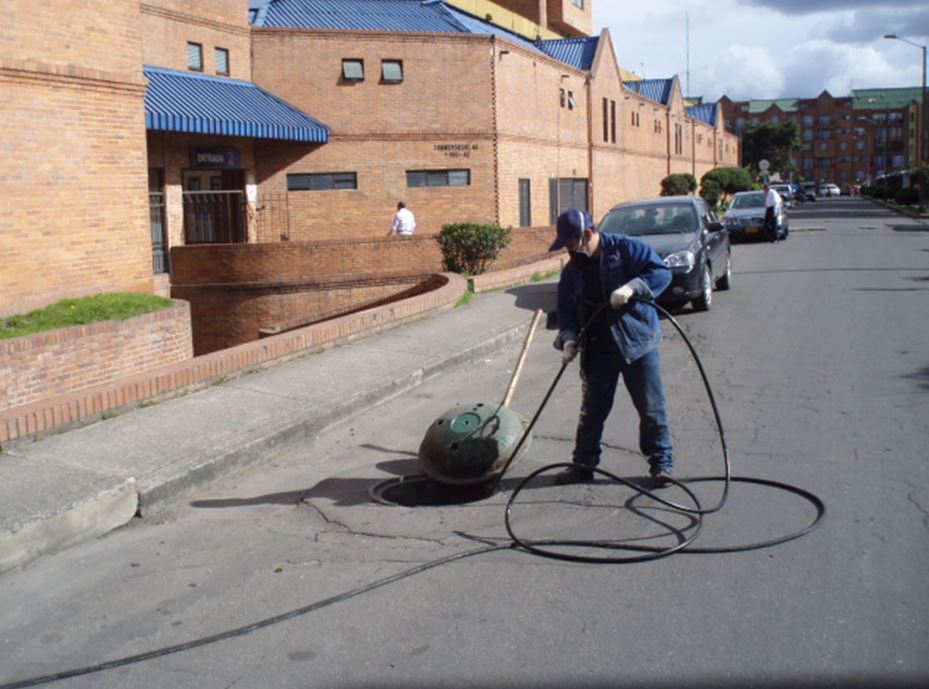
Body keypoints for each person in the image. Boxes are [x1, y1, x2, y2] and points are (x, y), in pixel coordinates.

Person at [550, 208, 675, 487]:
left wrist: (633, 287)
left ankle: (661, 463)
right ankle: (584, 464)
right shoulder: (572, 273)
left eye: (572, 244)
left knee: (651, 407)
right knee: (592, 411)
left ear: (588, 234)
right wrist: (569, 338)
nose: (570, 251)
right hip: (598, 348)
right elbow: (566, 310)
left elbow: (661, 272)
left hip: (636, 342)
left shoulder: (625, 249)